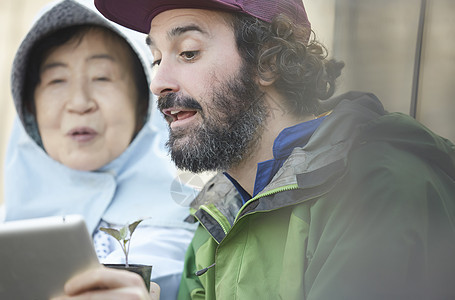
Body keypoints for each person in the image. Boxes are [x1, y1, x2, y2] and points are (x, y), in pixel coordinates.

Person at [53, 0, 455, 299]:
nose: (159, 81)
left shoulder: (380, 187)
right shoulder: (213, 221)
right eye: (156, 58)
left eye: (188, 52)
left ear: (267, 62)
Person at [3, 1, 198, 299]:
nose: (80, 102)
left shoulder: (201, 233)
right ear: (29, 108)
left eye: (102, 77)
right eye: (57, 80)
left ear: (143, 102)